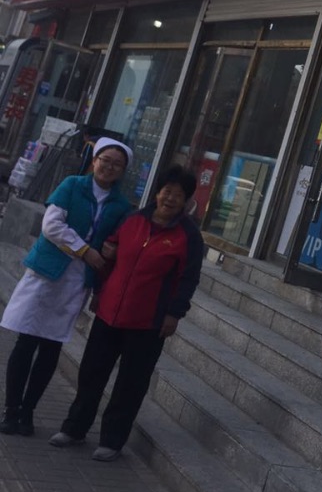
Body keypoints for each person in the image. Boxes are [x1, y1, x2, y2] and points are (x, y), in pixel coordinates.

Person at [50, 165, 202, 461]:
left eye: (178, 195)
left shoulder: (188, 237)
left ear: (186, 201)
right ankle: (74, 429)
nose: (170, 198)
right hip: (109, 312)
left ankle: (112, 440)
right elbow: (109, 255)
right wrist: (99, 291)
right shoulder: (132, 220)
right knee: (91, 374)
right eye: (167, 191)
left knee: (130, 384)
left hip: (148, 322)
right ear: (157, 193)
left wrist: (174, 314)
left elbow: (188, 279)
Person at [0, 137, 133, 436]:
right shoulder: (72, 185)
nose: (109, 167)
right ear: (94, 160)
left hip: (77, 281)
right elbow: (51, 225)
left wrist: (104, 267)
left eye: (117, 164)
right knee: (26, 341)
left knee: (51, 346)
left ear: (123, 171)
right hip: (47, 272)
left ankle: (28, 412)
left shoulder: (121, 206)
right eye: (105, 160)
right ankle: (11, 410)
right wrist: (85, 250)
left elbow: (114, 245)